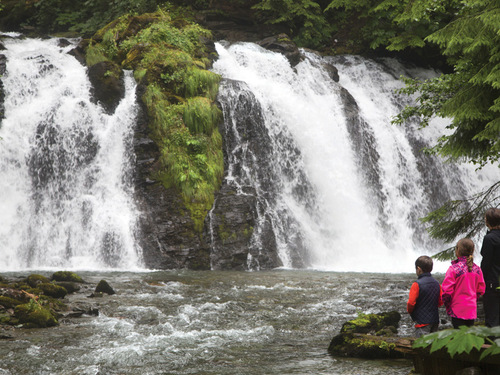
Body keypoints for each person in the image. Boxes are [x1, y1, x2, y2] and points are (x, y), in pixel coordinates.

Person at [442, 238, 485, 328]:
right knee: (468, 336)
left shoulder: (453, 269)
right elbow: (481, 289)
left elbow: (447, 291)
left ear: (457, 251)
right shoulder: (477, 269)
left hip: (457, 309)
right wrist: (474, 299)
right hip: (471, 310)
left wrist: (447, 304)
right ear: (472, 251)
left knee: (459, 336)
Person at [407, 255, 443, 337]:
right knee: (433, 345)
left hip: (422, 322)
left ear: (419, 269)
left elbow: (411, 303)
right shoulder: (437, 283)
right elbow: (440, 301)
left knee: (422, 346)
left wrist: (410, 312)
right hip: (435, 320)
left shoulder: (416, 284)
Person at [480, 207, 500, 327]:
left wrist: (480, 281)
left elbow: (486, 263)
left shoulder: (489, 238)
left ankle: (492, 343)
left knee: (492, 317)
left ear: (488, 221)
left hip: (492, 282)